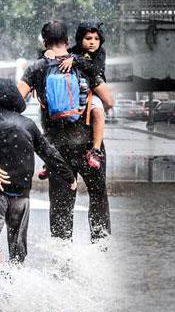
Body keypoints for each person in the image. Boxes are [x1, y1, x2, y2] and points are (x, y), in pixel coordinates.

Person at [18, 20, 114, 242]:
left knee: (61, 206)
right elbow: (108, 99)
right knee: (98, 197)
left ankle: (63, 259)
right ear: (69, 41)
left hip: (57, 150)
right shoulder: (81, 64)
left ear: (44, 42)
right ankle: (101, 250)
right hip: (90, 146)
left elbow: (15, 97)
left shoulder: (38, 68)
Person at [0, 78, 75, 264]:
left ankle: (2, 280)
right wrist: (68, 175)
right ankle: (16, 285)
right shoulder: (28, 124)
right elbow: (48, 151)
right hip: (21, 193)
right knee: (18, 248)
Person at [39, 21, 110, 174]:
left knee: (98, 111)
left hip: (93, 91)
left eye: (96, 39)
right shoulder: (73, 51)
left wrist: (76, 60)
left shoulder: (100, 53)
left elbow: (95, 69)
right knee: (48, 116)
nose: (92, 43)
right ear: (79, 39)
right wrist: (47, 53)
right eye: (88, 38)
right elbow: (60, 54)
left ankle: (96, 150)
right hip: (76, 94)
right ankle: (50, 160)